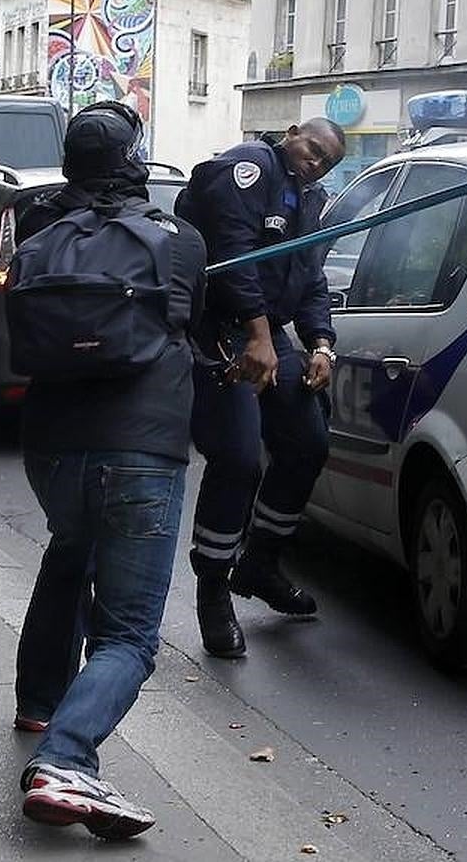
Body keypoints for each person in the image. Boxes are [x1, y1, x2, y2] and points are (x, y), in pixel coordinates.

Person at [13, 102, 207, 839]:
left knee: (69, 551)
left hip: (52, 447)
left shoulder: (39, 233)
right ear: (136, 161)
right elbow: (196, 321)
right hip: (143, 448)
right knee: (128, 634)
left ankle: (41, 700)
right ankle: (68, 759)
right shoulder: (179, 240)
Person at [175, 118, 346, 658]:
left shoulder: (309, 199)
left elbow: (311, 277)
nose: (315, 162)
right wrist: (255, 334)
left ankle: (260, 563)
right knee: (239, 459)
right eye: (312, 149)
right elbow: (232, 256)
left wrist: (320, 343)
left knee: (308, 442)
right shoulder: (248, 169)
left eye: (326, 161)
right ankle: (212, 591)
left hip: (270, 333)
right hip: (224, 332)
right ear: (291, 134)